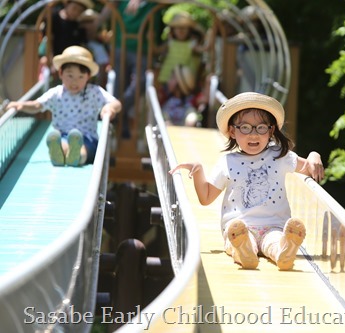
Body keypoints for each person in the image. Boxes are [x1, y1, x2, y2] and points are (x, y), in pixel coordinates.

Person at [169, 92, 324, 270]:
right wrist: (197, 170)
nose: (253, 135)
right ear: (233, 132)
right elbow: (206, 197)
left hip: (274, 226)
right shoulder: (227, 162)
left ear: (271, 130)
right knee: (240, 238)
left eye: (261, 128)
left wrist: (314, 155)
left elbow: (308, 168)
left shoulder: (280, 156)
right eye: (245, 128)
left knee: (274, 241)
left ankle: (283, 252)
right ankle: (244, 252)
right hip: (239, 227)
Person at [7, 46, 121, 167]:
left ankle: (77, 157)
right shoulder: (56, 93)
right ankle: (58, 154)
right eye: (70, 76)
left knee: (83, 150)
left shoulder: (94, 92)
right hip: (63, 136)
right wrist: (20, 105)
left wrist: (109, 108)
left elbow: (116, 103)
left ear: (88, 76)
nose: (74, 82)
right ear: (61, 73)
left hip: (88, 138)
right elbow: (37, 105)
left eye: (80, 77)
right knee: (62, 145)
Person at [97, 0, 162, 138]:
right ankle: (122, 127)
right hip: (121, 47)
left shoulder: (153, 4)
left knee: (141, 82)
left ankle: (115, 110)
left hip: (142, 50)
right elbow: (108, 9)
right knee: (118, 85)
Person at [39, 0, 93, 76]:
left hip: (72, 65)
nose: (76, 12)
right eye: (74, 8)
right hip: (53, 62)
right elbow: (48, 41)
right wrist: (51, 62)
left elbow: (82, 46)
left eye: (80, 11)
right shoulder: (53, 18)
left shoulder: (79, 26)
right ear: (67, 4)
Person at [157, 11, 205, 90]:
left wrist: (199, 28)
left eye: (184, 28)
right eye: (178, 28)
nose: (180, 31)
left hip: (184, 78)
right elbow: (157, 51)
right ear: (173, 30)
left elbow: (204, 48)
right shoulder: (170, 42)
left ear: (189, 30)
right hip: (167, 77)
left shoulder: (192, 44)